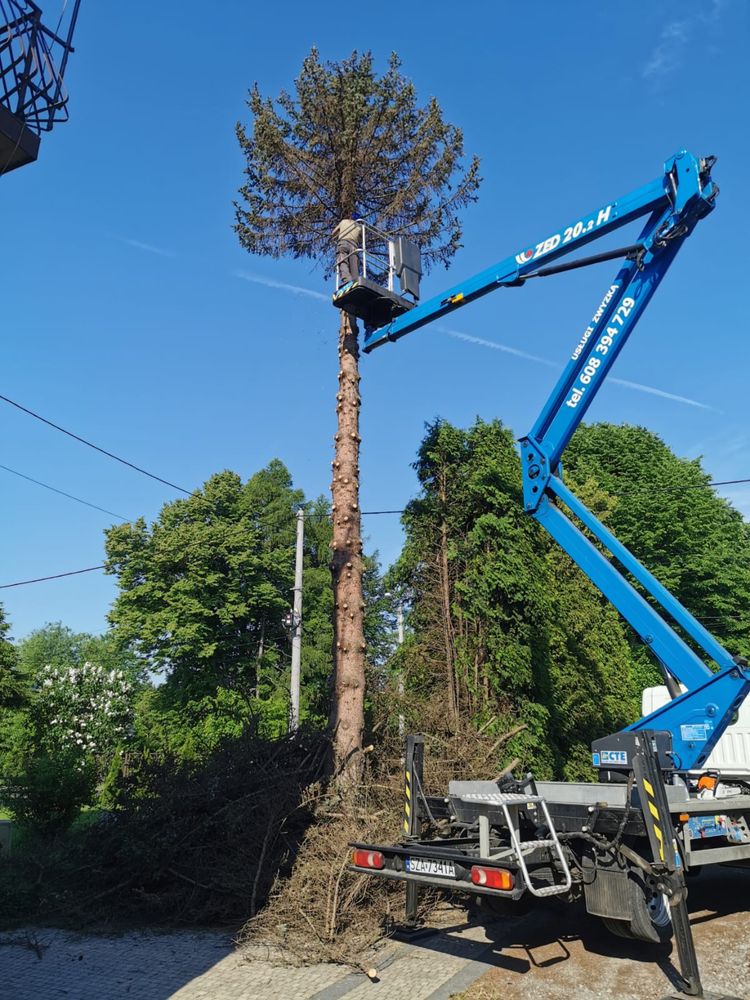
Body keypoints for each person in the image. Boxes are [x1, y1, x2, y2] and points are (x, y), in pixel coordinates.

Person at [333, 217, 362, 286]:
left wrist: (338, 235)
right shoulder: (359, 227)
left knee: (342, 261)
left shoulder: (343, 221)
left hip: (343, 243)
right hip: (354, 245)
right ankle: (355, 281)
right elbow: (361, 239)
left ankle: (347, 280)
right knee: (354, 264)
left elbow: (333, 233)